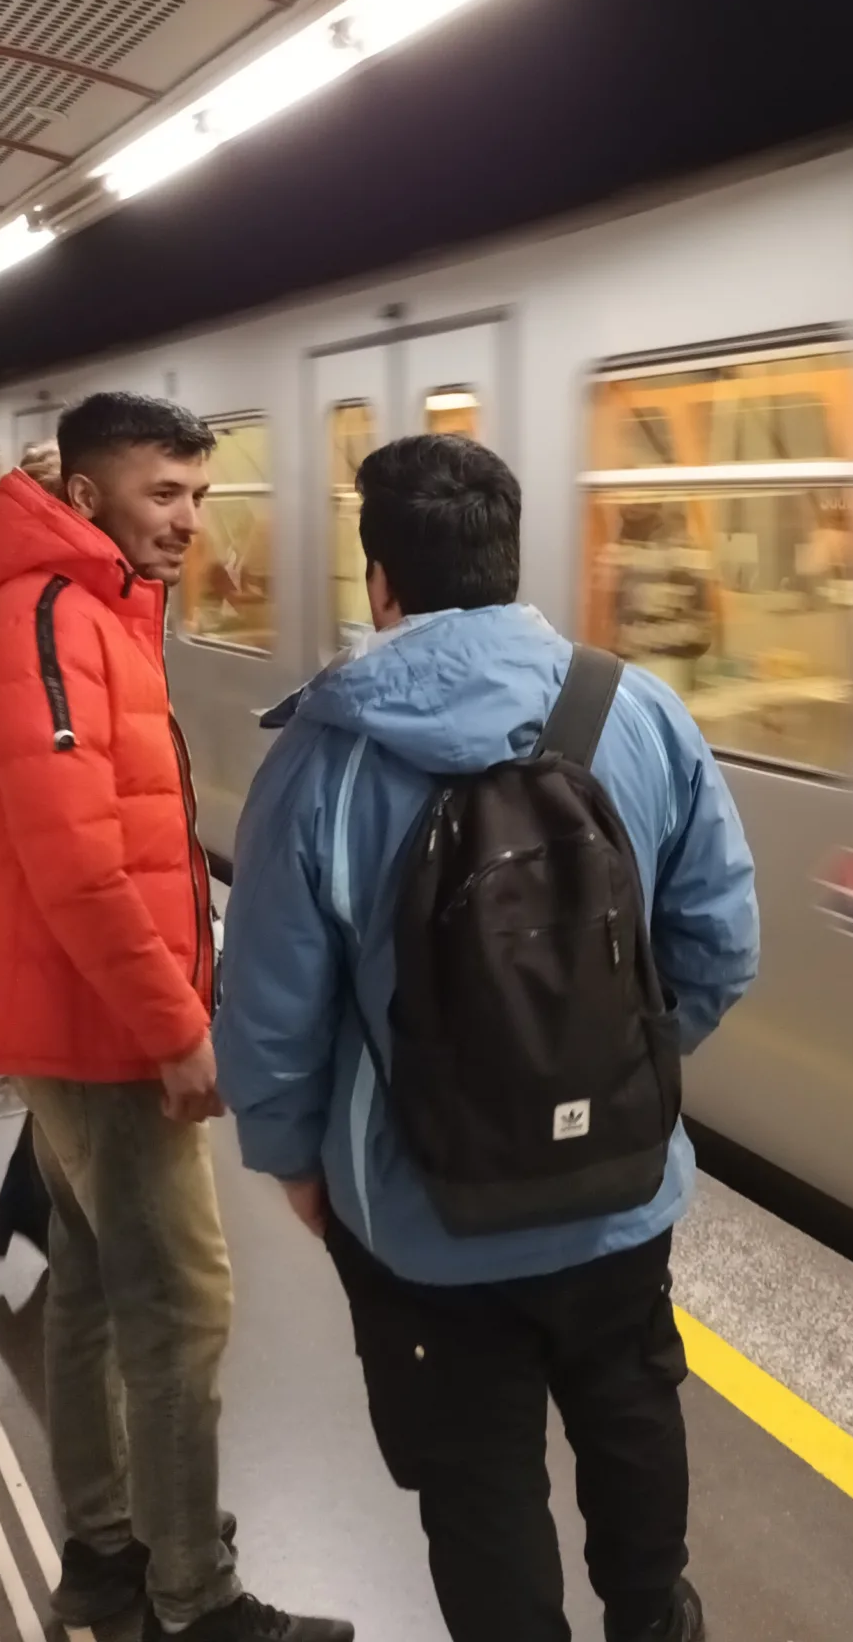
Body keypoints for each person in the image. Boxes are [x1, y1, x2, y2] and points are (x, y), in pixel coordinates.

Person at [217, 433, 759, 1642]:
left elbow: (267, 1012)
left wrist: (302, 1166)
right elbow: (722, 941)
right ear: (511, 559)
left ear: (382, 581)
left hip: (423, 1220)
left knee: (477, 1485)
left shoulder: (322, 756)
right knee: (632, 1415)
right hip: (617, 1195)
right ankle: (654, 1619)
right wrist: (620, 1071)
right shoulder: (638, 712)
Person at [0, 393, 349, 1642]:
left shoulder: (81, 614)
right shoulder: (50, 622)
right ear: (91, 489)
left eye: (200, 497)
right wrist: (174, 1028)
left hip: (76, 1014)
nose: (189, 523)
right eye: (165, 495)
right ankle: (191, 1597)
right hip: (95, 1027)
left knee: (101, 1283)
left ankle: (108, 1554)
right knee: (182, 1303)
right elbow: (79, 864)